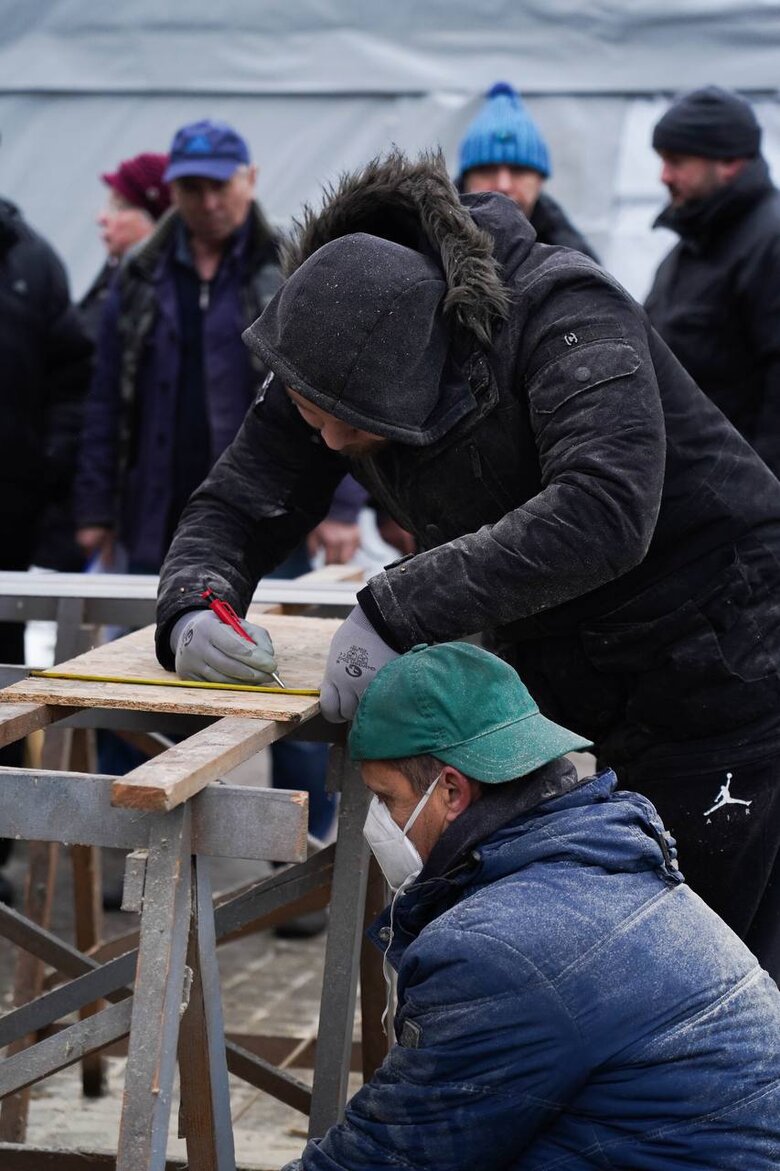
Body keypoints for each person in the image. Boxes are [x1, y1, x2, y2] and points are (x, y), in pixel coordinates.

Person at [155, 149, 780, 979]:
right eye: (316, 419)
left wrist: (396, 607)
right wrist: (195, 600)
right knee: (612, 949)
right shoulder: (331, 330)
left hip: (727, 659)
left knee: (706, 966)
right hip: (582, 674)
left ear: (423, 368)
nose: (332, 444)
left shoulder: (565, 311)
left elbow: (604, 509)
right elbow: (239, 500)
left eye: (352, 426)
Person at [280, 641, 780, 1169]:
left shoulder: (497, 947)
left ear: (451, 791)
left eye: (386, 799)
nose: (378, 821)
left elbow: (387, 1157)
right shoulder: (596, 861)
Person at [75, 119, 363, 874]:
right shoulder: (139, 273)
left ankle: (302, 855)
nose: (204, 200)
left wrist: (339, 509)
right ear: (172, 189)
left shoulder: (288, 271)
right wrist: (93, 510)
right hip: (157, 505)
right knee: (141, 667)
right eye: (190, 186)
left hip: (271, 507)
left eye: (217, 184)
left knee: (292, 672)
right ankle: (134, 844)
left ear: (250, 178)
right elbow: (104, 400)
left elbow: (344, 388)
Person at [0, 185, 93, 901]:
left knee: (2, 693)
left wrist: (50, 465)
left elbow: (73, 377)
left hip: (10, 517)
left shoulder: (32, 261)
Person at [645, 86, 780, 476]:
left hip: (742, 502)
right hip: (697, 491)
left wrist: (765, 498)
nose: (663, 176)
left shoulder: (768, 243)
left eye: (676, 161)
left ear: (730, 162)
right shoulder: (690, 248)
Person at [456, 81, 597, 258]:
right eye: (487, 170)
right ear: (465, 180)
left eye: (518, 170)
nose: (503, 185)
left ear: (540, 181)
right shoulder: (424, 245)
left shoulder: (575, 259)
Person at [79, 151, 171, 342]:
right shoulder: (116, 270)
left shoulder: (161, 295)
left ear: (156, 222)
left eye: (119, 207)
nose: (101, 218)